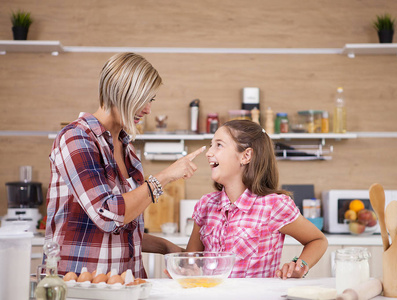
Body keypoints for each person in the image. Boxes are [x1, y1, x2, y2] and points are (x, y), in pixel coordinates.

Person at [45, 52, 205, 278]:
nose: (148, 109)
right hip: (80, 285)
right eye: (143, 99)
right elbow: (108, 216)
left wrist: (166, 248)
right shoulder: (76, 138)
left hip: (125, 284)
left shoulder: (127, 150)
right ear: (119, 93)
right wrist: (165, 176)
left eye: (151, 100)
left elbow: (124, 230)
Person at [186, 119, 328, 279]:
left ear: (246, 156)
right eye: (211, 144)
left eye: (219, 145)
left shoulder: (274, 205)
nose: (209, 152)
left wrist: (299, 265)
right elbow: (191, 260)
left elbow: (318, 240)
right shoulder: (206, 204)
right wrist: (186, 269)